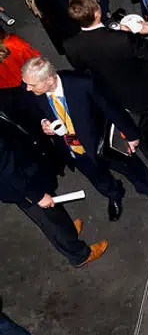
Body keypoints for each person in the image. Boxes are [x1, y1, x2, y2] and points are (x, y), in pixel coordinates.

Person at [21, 56, 148, 223]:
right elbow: (36, 111)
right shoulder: (35, 93)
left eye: (32, 85)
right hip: (73, 149)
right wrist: (44, 122)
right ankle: (114, 194)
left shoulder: (83, 84)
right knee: (97, 178)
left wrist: (131, 135)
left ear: (49, 79)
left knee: (129, 166)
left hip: (103, 142)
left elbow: (112, 109)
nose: (27, 89)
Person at [63, 0, 148, 166]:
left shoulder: (71, 46)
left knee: (140, 125)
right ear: (96, 12)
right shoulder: (122, 39)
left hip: (121, 96)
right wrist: (132, 35)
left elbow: (84, 71)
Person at [0, 109, 107, 266]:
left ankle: (69, 231)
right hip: (22, 186)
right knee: (50, 220)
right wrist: (37, 196)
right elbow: (8, 173)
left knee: (54, 209)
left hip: (25, 169)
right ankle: (79, 255)